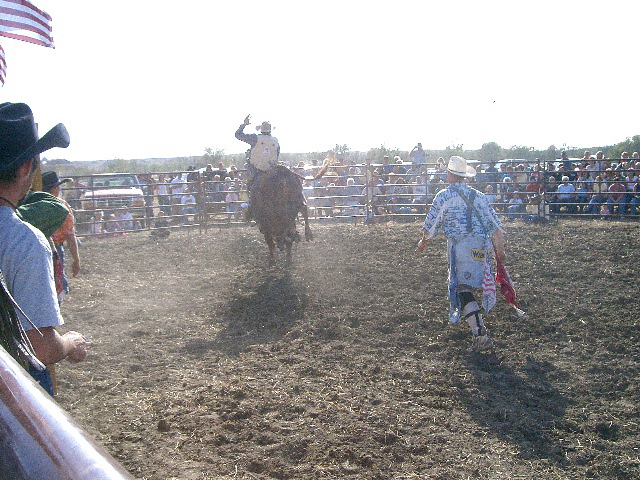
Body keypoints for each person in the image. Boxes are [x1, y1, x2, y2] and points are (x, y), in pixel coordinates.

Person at [0, 102, 87, 396]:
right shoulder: (24, 241)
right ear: (26, 167)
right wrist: (69, 343)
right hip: (11, 389)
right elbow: (40, 346)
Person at [417, 156, 506, 353]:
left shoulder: (444, 196)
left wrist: (423, 243)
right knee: (469, 287)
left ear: (449, 175)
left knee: (462, 289)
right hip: (480, 248)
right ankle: (478, 328)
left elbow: (430, 226)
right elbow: (496, 227)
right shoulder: (479, 196)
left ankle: (480, 334)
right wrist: (500, 253)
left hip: (460, 247)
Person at [42, 171, 81, 303]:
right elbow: (70, 235)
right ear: (54, 188)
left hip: (36, 247)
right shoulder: (62, 206)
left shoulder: (31, 205)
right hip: (55, 249)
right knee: (57, 282)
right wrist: (76, 259)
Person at [235, 114, 281, 220]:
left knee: (251, 187)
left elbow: (238, 135)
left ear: (261, 129)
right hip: (272, 170)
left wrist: (244, 124)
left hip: (256, 170)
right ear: (270, 130)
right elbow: (277, 154)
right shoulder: (275, 140)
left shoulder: (255, 138)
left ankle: (251, 209)